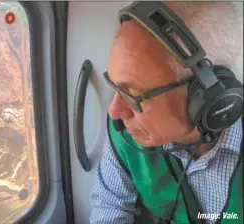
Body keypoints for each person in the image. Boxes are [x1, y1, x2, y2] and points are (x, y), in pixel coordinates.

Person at [89, 1, 243, 224]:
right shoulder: (126, 133)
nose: (114, 112)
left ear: (207, 96)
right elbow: (109, 205)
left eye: (133, 94)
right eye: (114, 86)